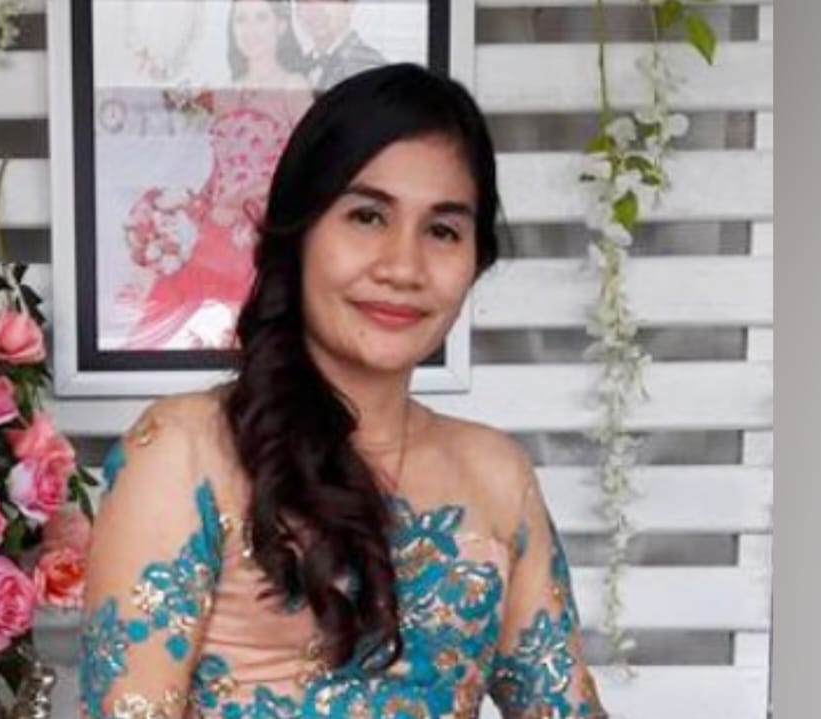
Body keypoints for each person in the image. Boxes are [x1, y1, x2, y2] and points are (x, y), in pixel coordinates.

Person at [84, 64, 607, 719]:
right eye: (366, 216)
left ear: (476, 259)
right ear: (298, 231)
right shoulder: (182, 453)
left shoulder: (496, 474)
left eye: (442, 230)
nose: (403, 267)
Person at [124, 0, 315, 350]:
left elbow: (309, 165)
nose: (250, 30)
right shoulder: (226, 92)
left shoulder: (293, 86)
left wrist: (244, 199)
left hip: (263, 224)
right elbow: (220, 169)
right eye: (241, 20)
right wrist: (195, 205)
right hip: (218, 219)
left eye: (261, 18)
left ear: (281, 26)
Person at [293, 0, 388, 91]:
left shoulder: (368, 69)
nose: (315, 10)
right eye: (305, 1)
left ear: (350, 5)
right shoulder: (299, 66)